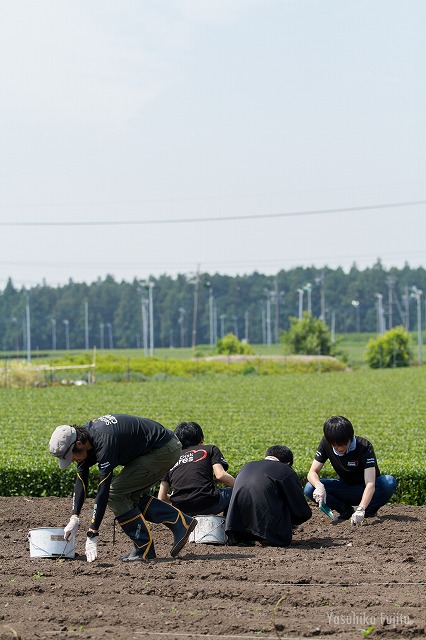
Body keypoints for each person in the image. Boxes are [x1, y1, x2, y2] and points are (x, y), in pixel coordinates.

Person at [49, 414, 197, 563]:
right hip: (156, 449)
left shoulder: (103, 441)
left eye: (71, 456)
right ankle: (180, 523)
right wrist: (74, 517)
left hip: (163, 450)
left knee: (116, 493)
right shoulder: (87, 438)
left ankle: (144, 548)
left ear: (79, 443)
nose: (73, 460)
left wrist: (93, 532)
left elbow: (104, 488)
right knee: (128, 495)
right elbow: (81, 478)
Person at [304, 415, 397, 524]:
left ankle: (368, 512)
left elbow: (370, 483)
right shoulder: (326, 442)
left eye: (343, 445)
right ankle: (345, 510)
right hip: (344, 487)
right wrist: (319, 486)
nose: (339, 449)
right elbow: (312, 472)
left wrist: (361, 509)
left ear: (350, 438)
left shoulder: (364, 446)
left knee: (388, 482)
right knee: (310, 488)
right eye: (335, 446)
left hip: (365, 489)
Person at [225, 445, 312, 547]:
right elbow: (301, 509)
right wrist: (292, 522)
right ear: (288, 463)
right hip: (268, 533)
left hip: (236, 530)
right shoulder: (285, 470)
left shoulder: (247, 466)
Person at [158, 421, 235, 516]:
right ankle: (228, 527)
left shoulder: (172, 458)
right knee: (234, 493)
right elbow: (221, 475)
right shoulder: (210, 449)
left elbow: (161, 497)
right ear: (201, 438)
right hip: (208, 503)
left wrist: (179, 499)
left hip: (182, 509)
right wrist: (243, 487)